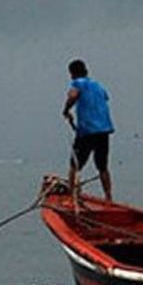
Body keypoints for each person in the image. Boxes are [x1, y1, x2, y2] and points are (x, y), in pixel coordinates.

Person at [61, 59, 115, 209]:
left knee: (75, 165)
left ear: (72, 73)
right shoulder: (98, 85)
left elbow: (73, 96)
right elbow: (105, 98)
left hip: (87, 130)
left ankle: (71, 198)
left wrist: (66, 110)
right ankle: (109, 198)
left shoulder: (77, 83)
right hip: (104, 129)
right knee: (102, 166)